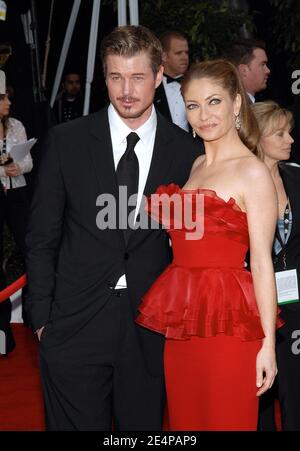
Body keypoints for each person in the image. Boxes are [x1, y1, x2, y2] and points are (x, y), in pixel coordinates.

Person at [25, 25, 201, 431]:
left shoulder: (187, 154)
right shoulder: (66, 142)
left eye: (138, 77)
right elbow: (41, 236)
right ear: (103, 77)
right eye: (116, 76)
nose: (126, 90)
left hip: (151, 329)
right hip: (73, 323)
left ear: (159, 76)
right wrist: (41, 317)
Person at [136, 59, 283, 431]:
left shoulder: (252, 171)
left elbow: (263, 264)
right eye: (193, 105)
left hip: (228, 329)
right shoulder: (197, 164)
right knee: (185, 421)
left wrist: (267, 345)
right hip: (184, 325)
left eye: (214, 102)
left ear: (236, 104)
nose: (203, 115)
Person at [252, 101, 300, 431]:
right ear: (258, 137)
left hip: (295, 304)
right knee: (258, 397)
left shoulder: (296, 176)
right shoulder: (239, 181)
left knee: (295, 391)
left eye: (290, 132)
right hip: (252, 306)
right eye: (280, 133)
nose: (290, 139)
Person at [0, 71, 33, 354]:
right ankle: (2, 335)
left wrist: (17, 167)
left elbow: (29, 162)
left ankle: (37, 320)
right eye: (3, 98)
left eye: (9, 96)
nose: (9, 102)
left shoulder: (17, 126)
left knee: (31, 250)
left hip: (18, 193)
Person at [154, 31, 189, 131]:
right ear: (164, 56)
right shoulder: (152, 87)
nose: (184, 57)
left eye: (186, 52)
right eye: (178, 53)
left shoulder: (194, 84)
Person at [224, 39, 271, 104]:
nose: (268, 71)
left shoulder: (231, 102)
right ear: (244, 70)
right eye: (262, 64)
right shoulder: (238, 107)